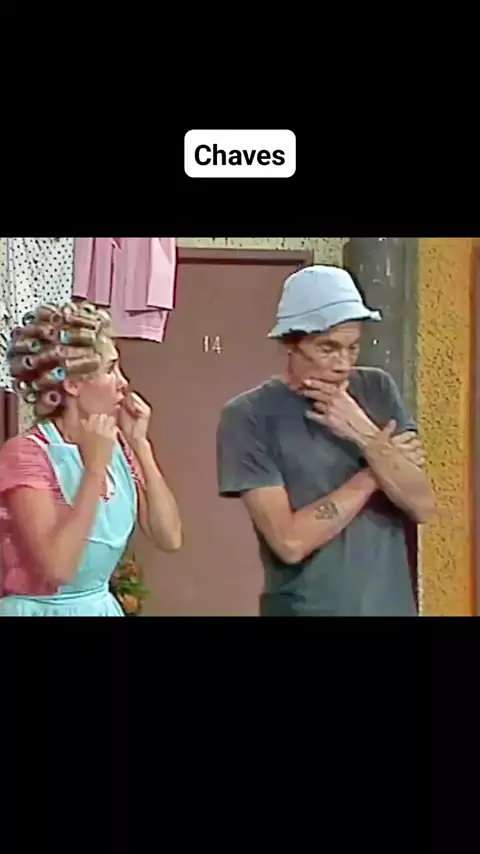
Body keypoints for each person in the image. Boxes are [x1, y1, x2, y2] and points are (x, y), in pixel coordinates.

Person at [216, 265, 435, 617]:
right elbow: (290, 542)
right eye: (328, 348)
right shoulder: (249, 416)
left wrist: (364, 433)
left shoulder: (377, 389)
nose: (342, 364)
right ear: (291, 343)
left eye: (353, 348)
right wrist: (375, 469)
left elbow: (422, 505)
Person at [0, 300, 182, 616]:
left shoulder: (119, 446)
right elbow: (59, 568)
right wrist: (94, 469)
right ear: (72, 384)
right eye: (110, 369)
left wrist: (141, 445)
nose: (124, 383)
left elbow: (170, 537)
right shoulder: (26, 454)